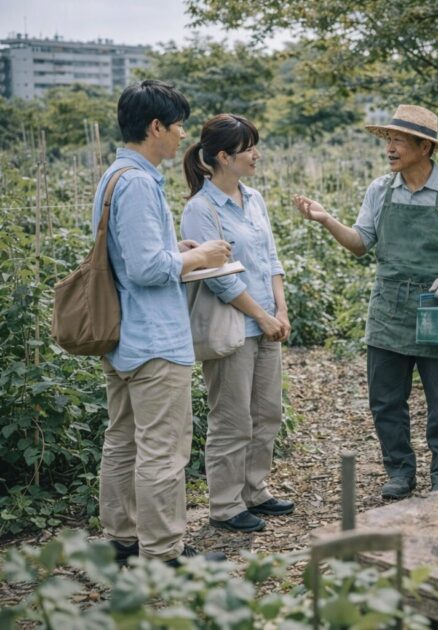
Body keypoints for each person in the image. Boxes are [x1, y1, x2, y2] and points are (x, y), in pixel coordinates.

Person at [294, 104, 438, 499]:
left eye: (399, 140)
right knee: (385, 400)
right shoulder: (380, 190)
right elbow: (360, 244)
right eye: (389, 139)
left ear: (424, 146)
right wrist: (327, 219)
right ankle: (399, 471)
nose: (390, 148)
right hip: (388, 310)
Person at [97, 80, 231, 566]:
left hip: (123, 336)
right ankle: (163, 553)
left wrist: (179, 249)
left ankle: (123, 538)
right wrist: (204, 257)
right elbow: (145, 269)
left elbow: (133, 255)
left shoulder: (117, 175)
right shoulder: (136, 182)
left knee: (123, 440)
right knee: (162, 450)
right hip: (153, 339)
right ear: (155, 127)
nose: (181, 138)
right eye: (177, 127)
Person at [180, 114, 293, 532]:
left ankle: (254, 490)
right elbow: (220, 279)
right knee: (231, 419)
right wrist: (262, 316)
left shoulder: (255, 198)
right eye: (249, 149)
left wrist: (280, 310)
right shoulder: (200, 209)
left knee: (268, 413)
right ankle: (226, 505)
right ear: (224, 157)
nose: (256, 155)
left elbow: (271, 260)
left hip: (267, 323)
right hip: (234, 327)